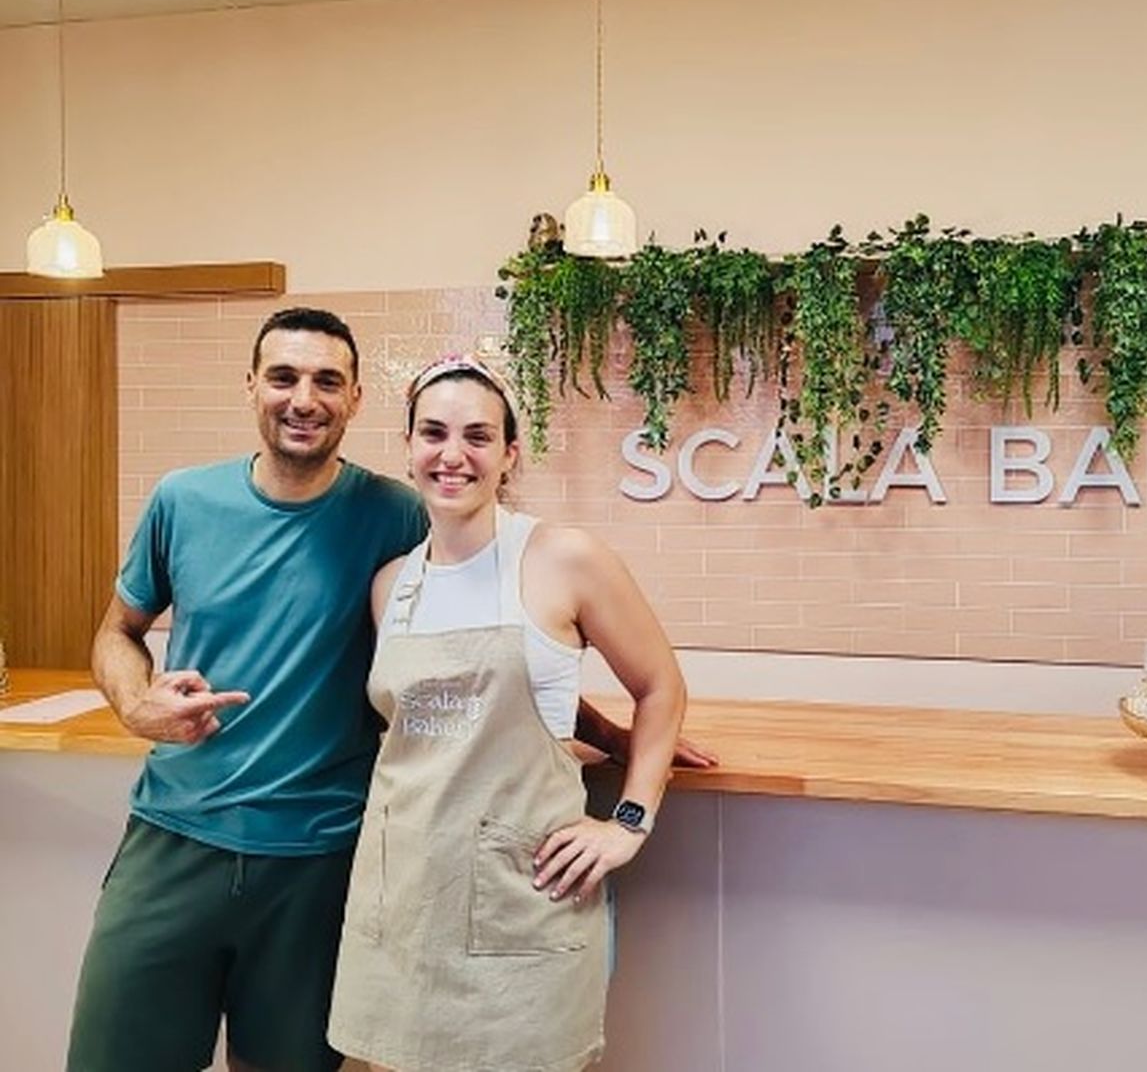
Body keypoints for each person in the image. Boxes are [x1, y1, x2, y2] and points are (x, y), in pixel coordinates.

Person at [69, 309, 705, 1072]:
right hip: (181, 835)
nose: (303, 398)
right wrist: (137, 704)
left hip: (319, 856)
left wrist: (625, 761)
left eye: (326, 380)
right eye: (283, 376)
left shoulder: (404, 519)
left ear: (357, 400)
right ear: (252, 387)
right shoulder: (196, 505)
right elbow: (116, 631)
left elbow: (514, 664)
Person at [325, 354, 687, 1072]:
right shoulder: (390, 586)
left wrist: (630, 821)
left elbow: (661, 687)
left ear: (509, 452)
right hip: (400, 909)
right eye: (432, 432)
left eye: (478, 436)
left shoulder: (564, 558)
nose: (452, 454)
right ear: (408, 447)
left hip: (522, 908)